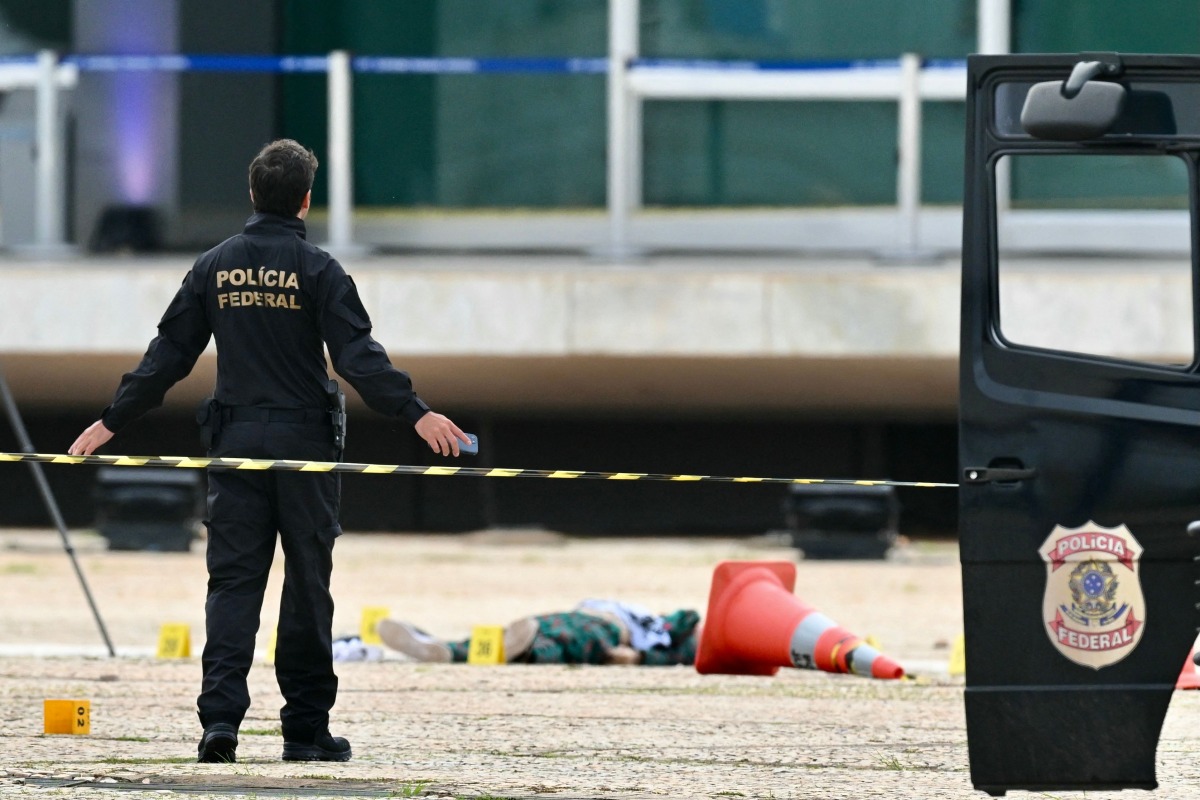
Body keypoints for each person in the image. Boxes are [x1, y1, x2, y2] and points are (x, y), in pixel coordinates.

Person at [68, 139, 471, 765]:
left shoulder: (214, 266)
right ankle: (304, 731)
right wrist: (415, 414)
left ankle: (219, 727)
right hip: (305, 451)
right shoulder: (320, 270)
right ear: (306, 200)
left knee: (232, 587)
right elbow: (358, 358)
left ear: (253, 194)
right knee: (307, 588)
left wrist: (110, 421)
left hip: (234, 449)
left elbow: (167, 356)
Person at [377, 600, 701, 666]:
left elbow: (682, 651)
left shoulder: (678, 640)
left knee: (553, 640)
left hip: (594, 626)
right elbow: (691, 619)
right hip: (590, 625)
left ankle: (446, 648)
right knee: (555, 644)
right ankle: (446, 648)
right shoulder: (669, 624)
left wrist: (639, 658)